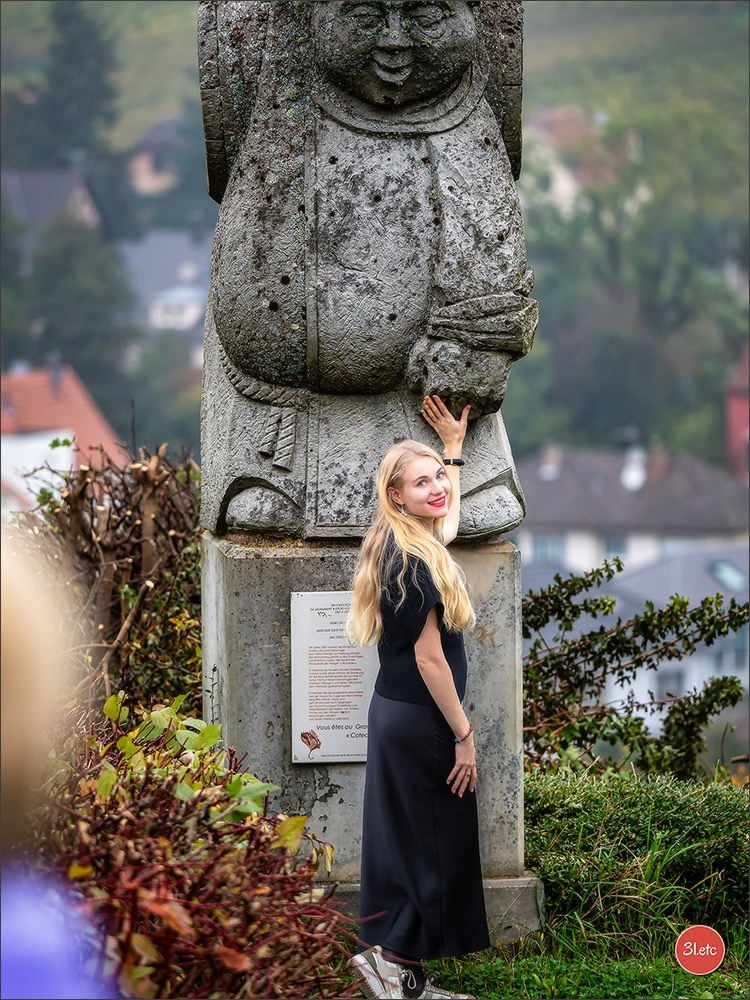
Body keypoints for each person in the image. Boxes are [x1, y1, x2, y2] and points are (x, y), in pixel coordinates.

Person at [346, 395, 490, 1000]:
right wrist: (464, 735)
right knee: (433, 844)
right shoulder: (411, 559)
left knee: (408, 841)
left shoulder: (403, 542)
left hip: (400, 715)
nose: (437, 489)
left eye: (437, 479)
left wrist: (452, 450)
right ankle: (389, 969)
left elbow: (449, 521)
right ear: (395, 496)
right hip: (426, 720)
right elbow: (431, 658)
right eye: (421, 482)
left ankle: (402, 976)